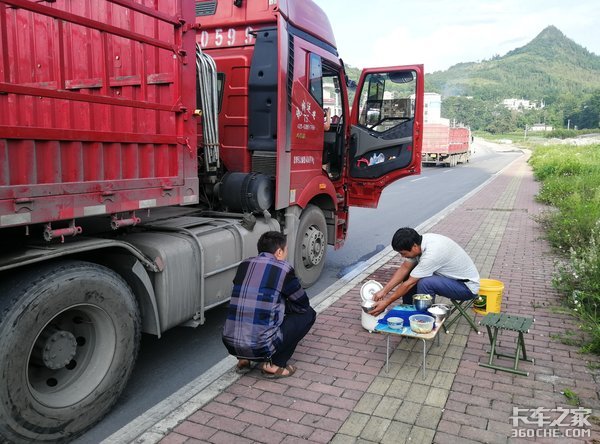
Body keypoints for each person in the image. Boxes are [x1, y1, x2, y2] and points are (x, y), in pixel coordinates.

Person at [222, 231, 316, 378]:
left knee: (249, 308)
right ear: (279, 252)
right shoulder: (283, 269)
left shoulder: (244, 265)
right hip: (261, 346)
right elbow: (302, 303)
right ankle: (274, 365)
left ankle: (243, 359)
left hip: (231, 343)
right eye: (285, 251)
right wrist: (284, 306)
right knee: (308, 314)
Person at [369, 227, 480, 316]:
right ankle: (409, 310)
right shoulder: (420, 242)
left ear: (414, 246)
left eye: (403, 253)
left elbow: (409, 284)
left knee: (425, 283)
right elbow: (405, 268)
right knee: (411, 273)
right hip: (451, 279)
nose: (402, 256)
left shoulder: (432, 254)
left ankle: (423, 318)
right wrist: (384, 291)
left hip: (466, 287)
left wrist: (386, 302)